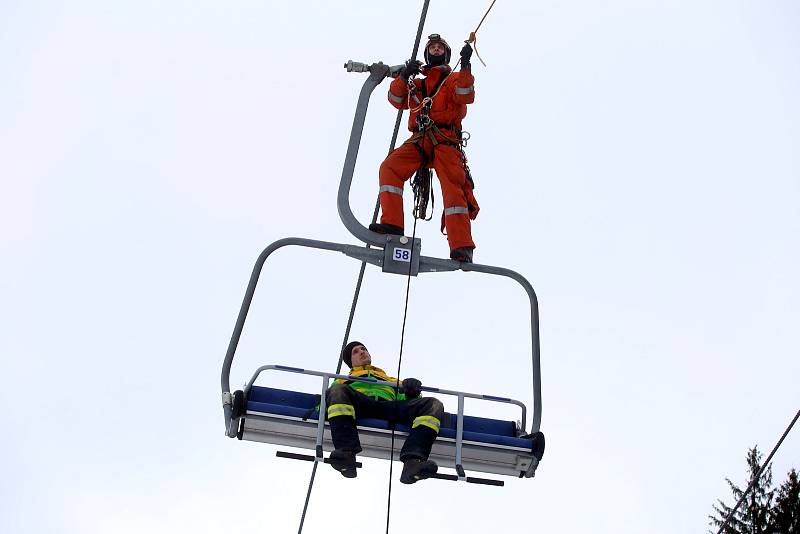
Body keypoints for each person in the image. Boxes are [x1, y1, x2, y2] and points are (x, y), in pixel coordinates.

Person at [369, 34, 479, 264]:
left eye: (440, 47)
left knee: (453, 189)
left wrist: (467, 63)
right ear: (428, 54)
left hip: (445, 140)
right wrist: (404, 74)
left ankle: (461, 246)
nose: (436, 49)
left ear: (446, 54)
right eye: (433, 47)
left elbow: (466, 95)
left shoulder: (453, 79)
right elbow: (395, 99)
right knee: (390, 167)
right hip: (421, 138)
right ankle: (393, 224)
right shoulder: (417, 84)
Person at [326, 341, 444, 484]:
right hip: (361, 405)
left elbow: (406, 401)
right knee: (337, 391)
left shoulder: (391, 380)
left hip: (387, 406)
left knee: (433, 404)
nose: (362, 352)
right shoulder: (342, 381)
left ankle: (413, 462)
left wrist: (412, 393)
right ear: (351, 362)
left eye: (363, 349)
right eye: (355, 352)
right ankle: (346, 453)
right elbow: (327, 404)